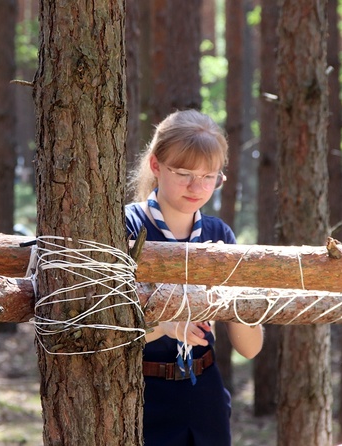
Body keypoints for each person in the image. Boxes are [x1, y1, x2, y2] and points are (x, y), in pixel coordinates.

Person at [125, 109, 264, 446]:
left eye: (209, 176)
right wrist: (168, 324)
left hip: (205, 394)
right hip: (139, 396)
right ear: (156, 166)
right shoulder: (127, 226)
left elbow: (250, 348)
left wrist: (232, 302)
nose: (196, 187)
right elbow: (106, 330)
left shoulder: (219, 234)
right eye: (184, 172)